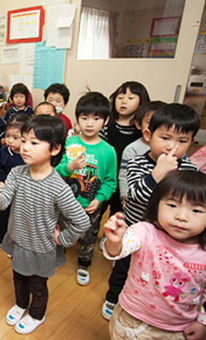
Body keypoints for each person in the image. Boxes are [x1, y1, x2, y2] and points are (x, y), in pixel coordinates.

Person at [0, 115, 90, 334]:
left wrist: (63, 239)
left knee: (37, 287)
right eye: (23, 140)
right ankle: (21, 304)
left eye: (34, 142)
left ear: (55, 149)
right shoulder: (16, 173)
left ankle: (36, 315)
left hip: (41, 248)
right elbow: (3, 203)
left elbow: (82, 221)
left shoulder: (58, 187)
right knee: (18, 277)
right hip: (17, 240)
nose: (24, 147)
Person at [102, 103, 200, 320]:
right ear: (148, 135)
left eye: (182, 141)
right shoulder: (137, 163)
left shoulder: (190, 170)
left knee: (156, 274)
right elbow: (134, 195)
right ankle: (113, 297)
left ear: (192, 143)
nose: (172, 147)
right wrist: (157, 174)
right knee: (123, 267)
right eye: (165, 138)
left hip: (168, 238)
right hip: (136, 231)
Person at [103, 170, 206, 340]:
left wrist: (203, 323)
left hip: (177, 329)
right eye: (172, 205)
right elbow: (118, 250)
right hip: (130, 318)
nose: (181, 217)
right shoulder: (145, 231)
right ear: (156, 205)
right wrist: (114, 241)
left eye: (196, 210)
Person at [55, 92, 117, 286]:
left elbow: (110, 181)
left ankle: (84, 263)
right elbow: (56, 172)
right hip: (66, 201)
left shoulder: (108, 151)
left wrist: (99, 199)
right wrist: (70, 167)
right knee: (61, 228)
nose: (89, 123)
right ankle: (59, 251)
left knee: (88, 235)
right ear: (77, 119)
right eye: (84, 118)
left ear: (105, 121)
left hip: (90, 204)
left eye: (96, 118)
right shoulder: (71, 142)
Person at [99, 81, 150, 217]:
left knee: (118, 215)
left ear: (141, 102)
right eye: (120, 97)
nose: (123, 102)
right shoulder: (106, 127)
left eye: (130, 98)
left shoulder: (142, 131)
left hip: (126, 182)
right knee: (96, 212)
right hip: (104, 179)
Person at [0, 114, 29, 251]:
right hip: (5, 193)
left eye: (15, 138)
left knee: (20, 221)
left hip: (23, 196)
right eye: (7, 136)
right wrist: (0, 181)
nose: (9, 140)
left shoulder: (29, 155)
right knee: (2, 217)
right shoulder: (3, 152)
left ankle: (16, 242)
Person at [117, 101, 166, 209]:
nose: (154, 127)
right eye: (149, 123)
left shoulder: (171, 150)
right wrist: (125, 197)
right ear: (139, 124)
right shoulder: (132, 149)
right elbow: (124, 175)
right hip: (136, 201)